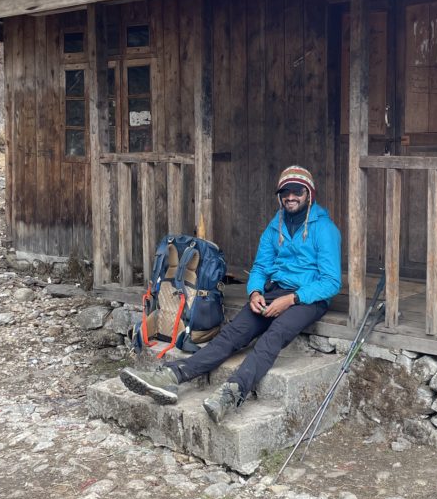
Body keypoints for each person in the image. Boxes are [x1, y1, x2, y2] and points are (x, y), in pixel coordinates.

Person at [119, 165, 341, 424]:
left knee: (274, 335)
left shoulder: (324, 228)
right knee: (233, 333)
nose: (290, 197)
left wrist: (291, 300)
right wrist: (255, 291)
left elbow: (331, 281)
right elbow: (260, 267)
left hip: (309, 297)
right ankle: (171, 377)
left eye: (297, 191)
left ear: (309, 194)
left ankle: (231, 393)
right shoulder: (275, 226)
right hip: (275, 291)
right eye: (285, 192)